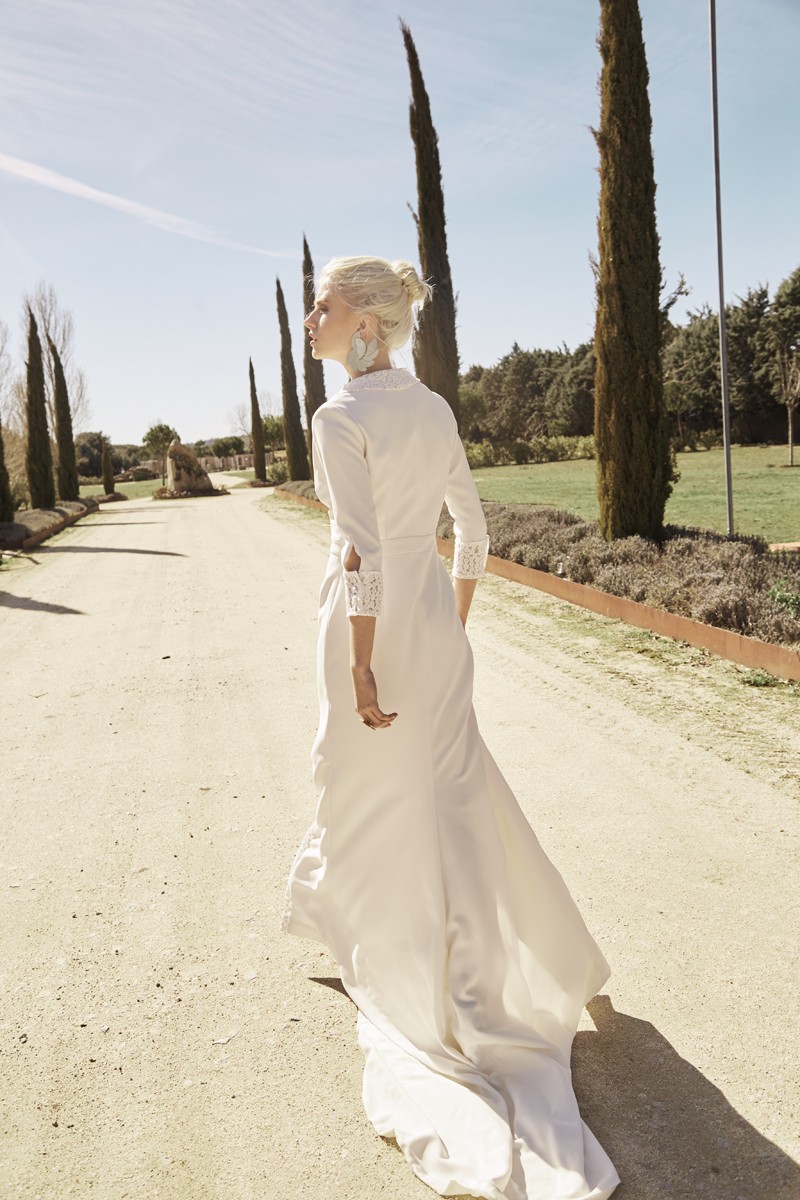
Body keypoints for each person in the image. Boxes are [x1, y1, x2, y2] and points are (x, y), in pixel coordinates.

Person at [281, 255, 619, 1200]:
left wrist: (362, 661)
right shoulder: (431, 408)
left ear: (365, 324)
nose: (310, 318)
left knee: (365, 788)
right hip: (433, 624)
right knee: (452, 797)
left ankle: (393, 958)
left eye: (323, 305)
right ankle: (489, 961)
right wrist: (449, 624)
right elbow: (472, 533)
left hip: (370, 628)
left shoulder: (338, 418)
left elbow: (359, 551)